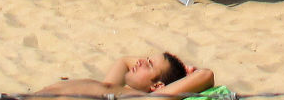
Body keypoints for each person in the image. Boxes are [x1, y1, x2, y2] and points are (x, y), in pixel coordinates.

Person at [27, 54, 211, 98]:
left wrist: (187, 74)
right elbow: (124, 61)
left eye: (149, 65)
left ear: (157, 86)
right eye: (146, 58)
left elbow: (206, 75)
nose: (139, 61)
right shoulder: (112, 88)